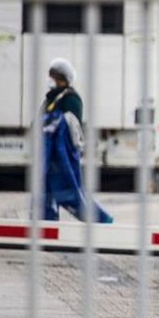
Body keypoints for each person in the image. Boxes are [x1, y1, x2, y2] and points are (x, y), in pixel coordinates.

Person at [41, 58, 112, 223]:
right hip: (49, 157)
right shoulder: (50, 98)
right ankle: (46, 224)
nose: (51, 80)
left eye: (55, 77)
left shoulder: (71, 98)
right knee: (48, 194)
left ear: (64, 80)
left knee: (72, 194)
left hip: (63, 155)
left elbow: (72, 129)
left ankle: (102, 221)